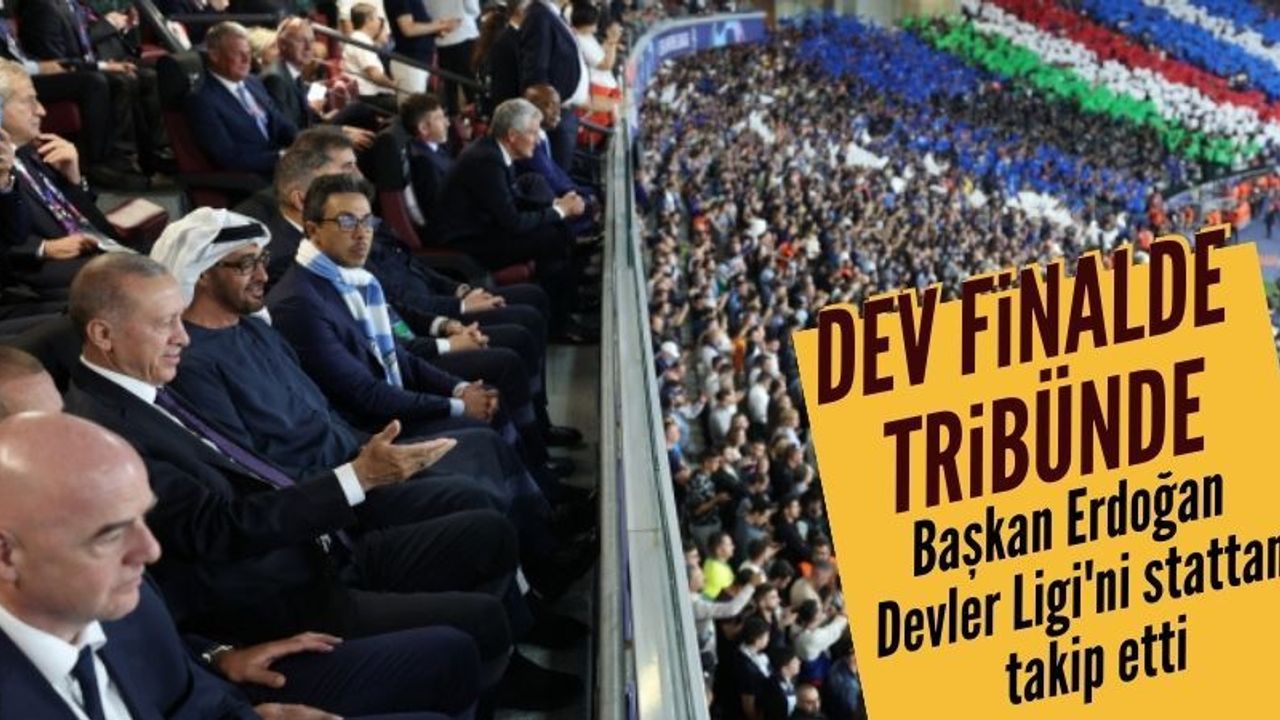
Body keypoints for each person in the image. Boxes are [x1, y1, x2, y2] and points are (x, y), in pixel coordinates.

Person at [61, 254, 581, 711]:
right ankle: (496, 681)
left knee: (488, 531)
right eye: (164, 324)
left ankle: (518, 636)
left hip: (320, 546)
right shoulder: (106, 435)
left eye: (180, 318)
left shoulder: (147, 383)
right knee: (475, 625)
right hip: (282, 599)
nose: (183, 336)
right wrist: (356, 479)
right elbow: (218, 527)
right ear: (103, 335)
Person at [0, 411, 485, 720]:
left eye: (142, 519)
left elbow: (187, 696)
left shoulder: (130, 604)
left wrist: (235, 692)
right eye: (110, 535)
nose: (149, 551)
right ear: (5, 555)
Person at [433, 98, 592, 341]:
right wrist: (560, 211)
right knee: (553, 237)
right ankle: (559, 326)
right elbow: (513, 222)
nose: (538, 139)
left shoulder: (493, 151)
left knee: (555, 228)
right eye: (533, 132)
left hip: (486, 229)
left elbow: (511, 202)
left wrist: (556, 206)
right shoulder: (486, 160)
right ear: (512, 136)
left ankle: (569, 303)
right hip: (467, 243)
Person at [0, 58, 130, 303]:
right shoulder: (6, 162)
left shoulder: (33, 150)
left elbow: (88, 222)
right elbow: (9, 236)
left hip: (88, 249)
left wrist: (73, 180)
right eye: (29, 101)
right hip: (32, 274)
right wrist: (42, 249)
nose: (41, 111)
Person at [186, 22, 297, 178]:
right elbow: (228, 158)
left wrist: (308, 143)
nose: (247, 60)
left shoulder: (253, 82)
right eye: (238, 54)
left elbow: (280, 123)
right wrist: (281, 157)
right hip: (253, 178)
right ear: (214, 55)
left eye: (248, 53)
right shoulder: (203, 100)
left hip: (282, 167)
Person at [262, 16, 377, 147]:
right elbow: (290, 134)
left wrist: (327, 121)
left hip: (310, 130)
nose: (308, 47)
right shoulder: (275, 79)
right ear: (282, 44)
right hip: (302, 145)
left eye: (311, 41)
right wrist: (341, 133)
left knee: (358, 110)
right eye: (300, 41)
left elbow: (304, 114)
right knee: (360, 120)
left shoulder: (293, 69)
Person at [518, 0, 588, 172]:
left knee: (560, 174)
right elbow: (536, 72)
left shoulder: (555, 14)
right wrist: (547, 113)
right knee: (554, 176)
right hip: (555, 118)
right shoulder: (538, 16)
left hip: (564, 114)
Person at [384, 0, 460, 96]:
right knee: (413, 104)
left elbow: (418, 24)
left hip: (418, 61)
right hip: (410, 61)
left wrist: (437, 29)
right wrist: (441, 25)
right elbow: (408, 29)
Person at [426, 0, 481, 115]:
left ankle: (453, 119)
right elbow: (473, 9)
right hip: (464, 33)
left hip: (441, 37)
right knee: (471, 83)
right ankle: (477, 117)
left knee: (449, 86)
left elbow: (425, 11)